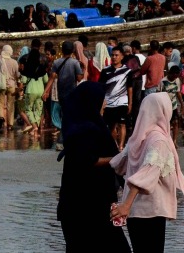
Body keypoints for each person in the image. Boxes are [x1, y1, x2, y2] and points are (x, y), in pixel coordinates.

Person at [110, 92, 184, 252]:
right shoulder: (159, 140)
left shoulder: (138, 137)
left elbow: (119, 165)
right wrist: (126, 205)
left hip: (135, 211)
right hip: (151, 210)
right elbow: (147, 173)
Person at [57, 81, 130, 253]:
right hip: (85, 207)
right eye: (102, 99)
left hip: (87, 205)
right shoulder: (83, 130)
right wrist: (118, 158)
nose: (104, 104)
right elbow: (87, 160)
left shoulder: (81, 125)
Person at [0, 44, 20, 133]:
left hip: (1, 84)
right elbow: (17, 75)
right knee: (10, 105)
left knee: (0, 103)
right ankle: (10, 125)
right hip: (12, 84)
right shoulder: (14, 62)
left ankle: (1, 117)